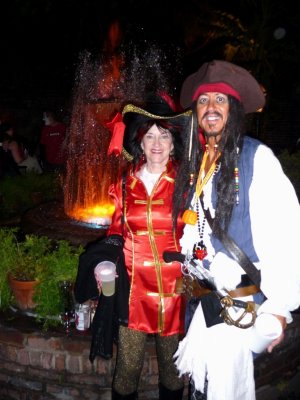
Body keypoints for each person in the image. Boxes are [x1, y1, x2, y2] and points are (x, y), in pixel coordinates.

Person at [171, 60, 300, 400]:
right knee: (200, 387)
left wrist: (279, 308)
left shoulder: (258, 159)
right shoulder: (195, 165)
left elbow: (287, 237)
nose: (210, 107)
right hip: (202, 307)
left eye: (220, 99)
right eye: (202, 100)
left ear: (234, 109)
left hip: (239, 309)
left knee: (223, 391)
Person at [74, 93, 191, 400]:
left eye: (163, 136)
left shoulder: (187, 184)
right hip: (132, 290)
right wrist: (105, 263)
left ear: (172, 143)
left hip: (175, 290)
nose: (156, 143)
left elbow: (198, 233)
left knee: (173, 368)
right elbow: (116, 230)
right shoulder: (124, 185)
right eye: (149, 136)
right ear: (139, 143)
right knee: (127, 370)